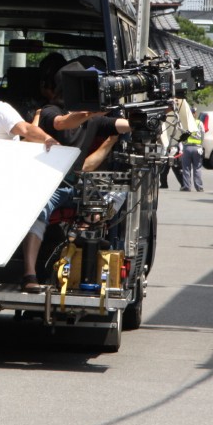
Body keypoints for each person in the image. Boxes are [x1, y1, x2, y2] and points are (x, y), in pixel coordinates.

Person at [25, 61, 129, 292]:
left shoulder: (94, 119)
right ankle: (30, 274)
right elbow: (62, 124)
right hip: (50, 185)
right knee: (37, 213)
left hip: (78, 185)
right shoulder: (49, 111)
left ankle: (98, 262)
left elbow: (122, 125)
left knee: (119, 193)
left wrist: (142, 118)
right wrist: (91, 112)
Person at [179, 106, 205, 192]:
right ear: (194, 114)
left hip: (187, 147)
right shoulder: (199, 123)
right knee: (197, 168)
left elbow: (181, 135)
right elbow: (203, 134)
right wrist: (200, 145)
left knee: (186, 168)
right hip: (197, 147)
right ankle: (199, 187)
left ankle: (187, 186)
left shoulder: (184, 123)